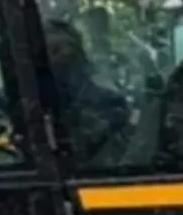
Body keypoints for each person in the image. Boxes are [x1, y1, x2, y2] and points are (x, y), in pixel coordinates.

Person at [44, 19, 131, 168]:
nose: (63, 56)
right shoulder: (34, 97)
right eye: (53, 51)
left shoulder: (107, 100)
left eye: (65, 49)